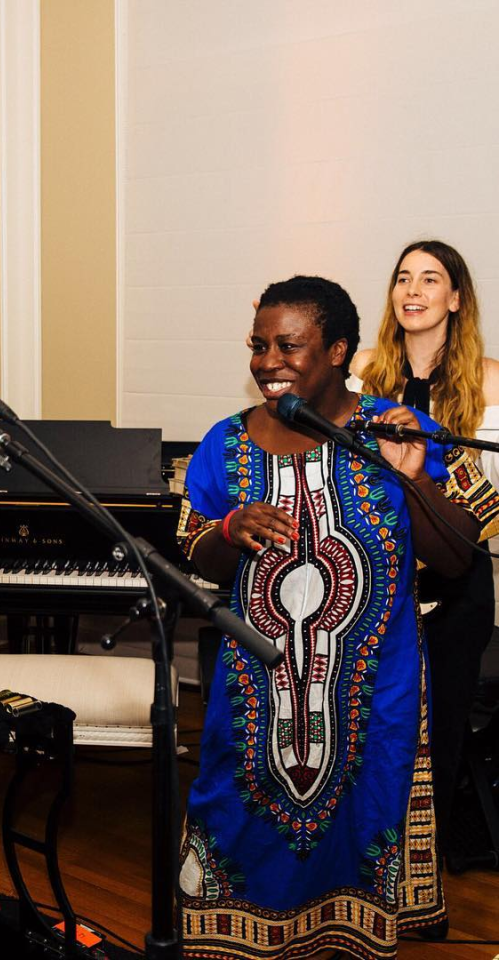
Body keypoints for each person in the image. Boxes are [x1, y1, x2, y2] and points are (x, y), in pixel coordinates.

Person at [176, 276, 496, 959]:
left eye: (288, 346)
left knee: (364, 817)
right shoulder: (223, 441)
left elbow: (459, 555)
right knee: (234, 813)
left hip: (374, 694)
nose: (267, 361)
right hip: (253, 694)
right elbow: (195, 550)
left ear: (338, 351)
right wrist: (230, 529)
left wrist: (409, 477)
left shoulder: (399, 428)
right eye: (258, 345)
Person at [350, 240, 499, 858]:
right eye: (403, 278)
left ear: (456, 298)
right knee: (371, 723)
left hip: (455, 579)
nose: (413, 291)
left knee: (437, 726)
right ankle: (367, 852)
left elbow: (488, 507)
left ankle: (422, 867)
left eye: (430, 280)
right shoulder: (359, 371)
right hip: (374, 574)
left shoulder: (490, 381)